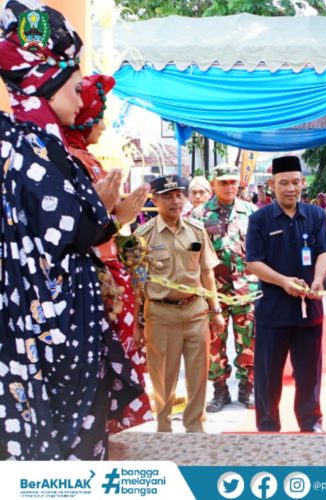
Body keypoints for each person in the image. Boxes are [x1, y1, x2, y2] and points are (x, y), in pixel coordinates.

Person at [0, 0, 145, 459]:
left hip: (61, 327)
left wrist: (106, 214)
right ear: (49, 83)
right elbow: (63, 232)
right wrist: (107, 213)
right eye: (78, 87)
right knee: (56, 451)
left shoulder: (37, 143)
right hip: (47, 336)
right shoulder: (28, 147)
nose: (84, 100)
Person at [62, 73, 153, 433]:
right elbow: (79, 231)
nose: (103, 123)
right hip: (95, 285)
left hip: (109, 280)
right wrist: (120, 219)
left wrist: (121, 223)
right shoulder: (73, 161)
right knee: (99, 375)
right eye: (99, 114)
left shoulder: (85, 158)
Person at [246, 156, 326, 432]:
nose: (290, 188)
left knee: (309, 373)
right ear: (272, 185)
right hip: (273, 310)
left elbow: (323, 252)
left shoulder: (316, 215)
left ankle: (311, 422)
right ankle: (268, 426)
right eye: (283, 183)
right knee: (268, 374)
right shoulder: (259, 219)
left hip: (310, 309)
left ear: (303, 183)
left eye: (295, 182)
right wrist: (282, 281)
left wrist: (318, 279)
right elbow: (253, 262)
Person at [136, 176, 224, 432]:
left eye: (178, 195)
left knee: (199, 374)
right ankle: (163, 426)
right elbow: (138, 283)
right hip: (161, 314)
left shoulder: (197, 231)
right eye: (167, 196)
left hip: (196, 310)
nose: (175, 201)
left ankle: (195, 426)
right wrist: (137, 324)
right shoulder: (144, 236)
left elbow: (207, 273)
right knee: (163, 376)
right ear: (155, 200)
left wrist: (215, 310)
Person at [191, 164, 258, 411]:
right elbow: (193, 255)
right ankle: (220, 390)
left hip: (245, 289)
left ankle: (247, 387)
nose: (229, 186)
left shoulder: (251, 212)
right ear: (213, 184)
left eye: (233, 182)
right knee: (214, 342)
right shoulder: (198, 215)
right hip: (213, 291)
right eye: (223, 182)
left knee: (249, 341)